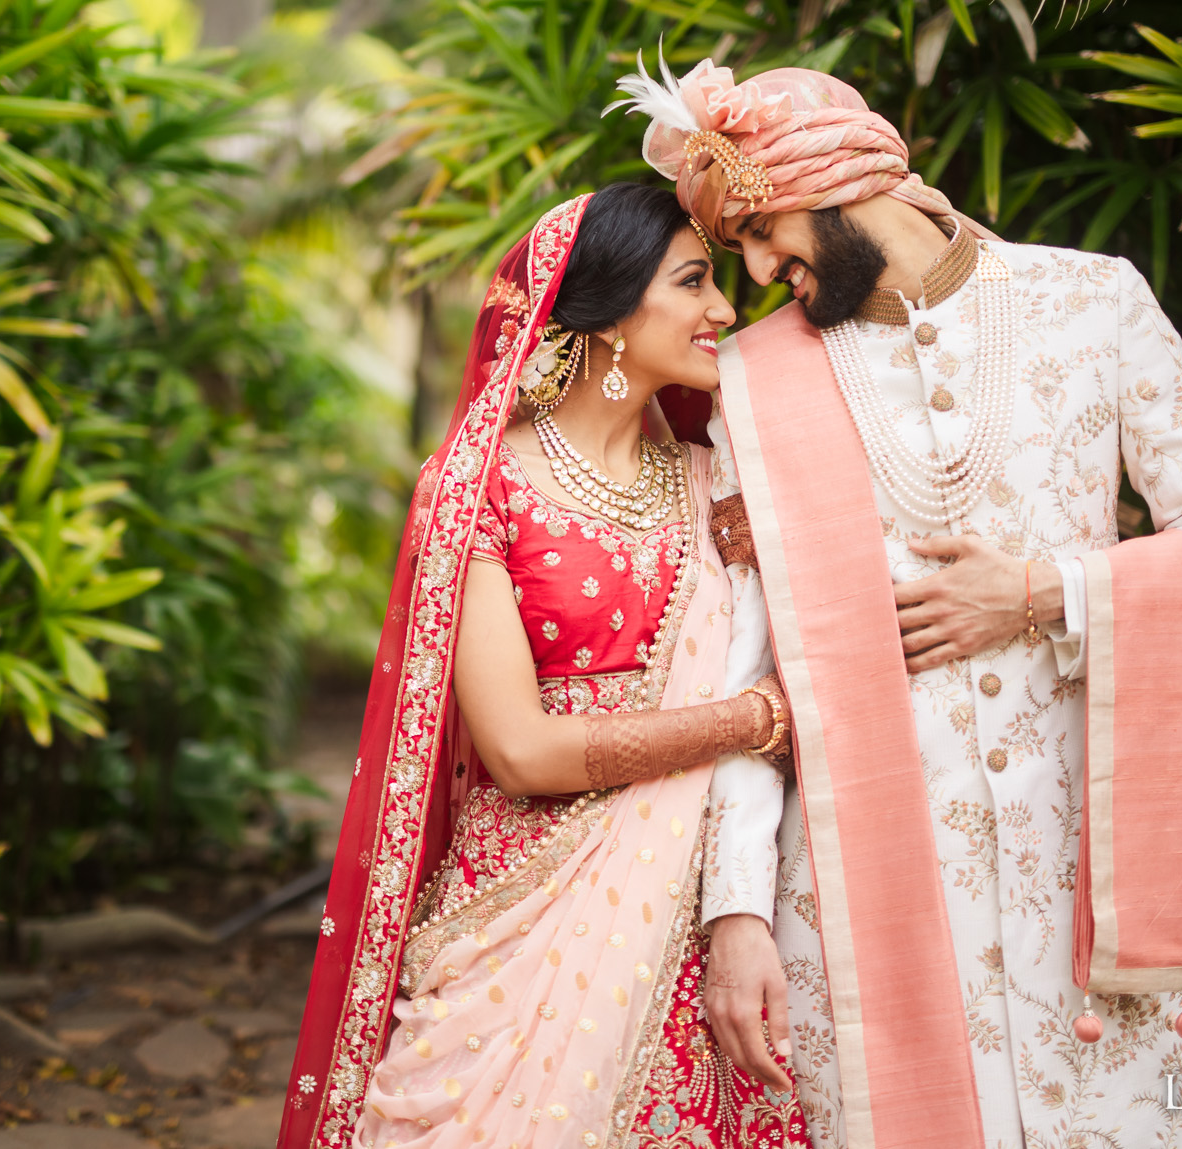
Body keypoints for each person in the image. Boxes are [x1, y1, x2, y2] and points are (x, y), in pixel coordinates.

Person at [610, 57, 1182, 1149]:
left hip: (1088, 878)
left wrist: (1039, 593)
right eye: (733, 248)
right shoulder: (749, 381)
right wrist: (734, 912)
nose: (759, 265)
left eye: (764, 228)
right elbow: (739, 661)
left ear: (839, 181)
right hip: (857, 900)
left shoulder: (1093, 301)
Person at [278, 183, 815, 1149]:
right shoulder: (476, 490)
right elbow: (519, 748)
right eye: (693, 281)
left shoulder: (724, 484)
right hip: (517, 914)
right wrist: (753, 718)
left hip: (701, 914)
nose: (727, 311)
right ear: (606, 314)